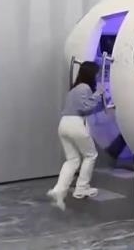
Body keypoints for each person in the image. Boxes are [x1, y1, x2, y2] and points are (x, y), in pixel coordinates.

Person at [46, 61, 105, 210]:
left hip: (63, 124)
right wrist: (98, 94)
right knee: (91, 155)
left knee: (72, 160)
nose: (98, 76)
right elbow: (85, 108)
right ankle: (81, 188)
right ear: (91, 74)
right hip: (75, 123)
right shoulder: (85, 87)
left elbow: (82, 106)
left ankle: (58, 190)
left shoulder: (74, 89)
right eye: (97, 73)